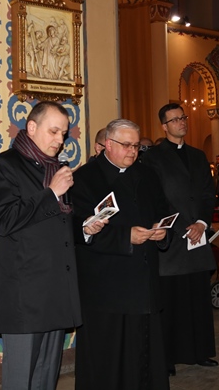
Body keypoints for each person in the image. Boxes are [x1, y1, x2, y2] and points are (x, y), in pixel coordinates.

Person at [0, 101, 104, 390]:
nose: (60, 140)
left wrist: (83, 228)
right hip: (25, 295)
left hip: (56, 291)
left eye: (64, 133)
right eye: (53, 131)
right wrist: (51, 192)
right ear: (32, 127)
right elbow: (5, 221)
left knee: (46, 378)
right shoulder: (5, 165)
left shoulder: (57, 168)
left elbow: (58, 225)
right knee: (21, 380)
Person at [71, 119, 170, 390]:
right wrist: (125, 237)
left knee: (144, 354)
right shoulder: (84, 178)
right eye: (126, 145)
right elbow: (78, 229)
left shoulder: (147, 174)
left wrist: (162, 231)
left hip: (144, 282)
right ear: (108, 144)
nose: (132, 151)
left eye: (136, 146)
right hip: (106, 287)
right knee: (109, 360)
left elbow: (163, 210)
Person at [141, 104, 218, 376]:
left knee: (198, 297)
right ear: (164, 126)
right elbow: (156, 198)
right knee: (171, 300)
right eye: (174, 120)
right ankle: (168, 358)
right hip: (173, 238)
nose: (181, 122)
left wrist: (202, 223)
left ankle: (199, 352)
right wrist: (181, 225)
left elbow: (208, 193)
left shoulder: (197, 155)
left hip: (197, 236)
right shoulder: (153, 157)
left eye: (183, 117)